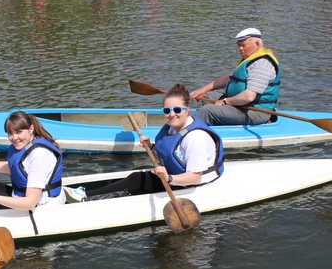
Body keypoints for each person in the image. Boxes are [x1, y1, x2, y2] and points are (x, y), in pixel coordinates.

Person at [79, 84, 224, 201]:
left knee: (136, 181)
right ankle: (87, 194)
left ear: (187, 110)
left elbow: (195, 177)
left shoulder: (196, 138)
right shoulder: (172, 127)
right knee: (135, 179)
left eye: (177, 110)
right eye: (167, 110)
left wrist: (169, 178)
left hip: (196, 183)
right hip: (176, 175)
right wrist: (151, 147)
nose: (171, 114)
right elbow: (173, 154)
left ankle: (86, 197)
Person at [189, 28, 281, 126]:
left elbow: (249, 97)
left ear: (257, 44)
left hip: (255, 111)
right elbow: (229, 77)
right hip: (240, 105)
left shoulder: (262, 65)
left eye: (243, 45)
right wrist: (202, 90)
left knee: (208, 110)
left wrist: (226, 101)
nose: (240, 48)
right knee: (208, 96)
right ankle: (213, 124)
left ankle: (189, 130)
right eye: (239, 45)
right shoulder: (251, 59)